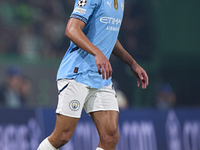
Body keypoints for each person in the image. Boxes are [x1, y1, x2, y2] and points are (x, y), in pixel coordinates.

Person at [37, 0, 148, 149]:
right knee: (62, 136)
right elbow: (71, 29)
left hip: (101, 77)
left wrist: (132, 63)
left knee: (110, 136)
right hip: (77, 73)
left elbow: (108, 36)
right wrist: (97, 53)